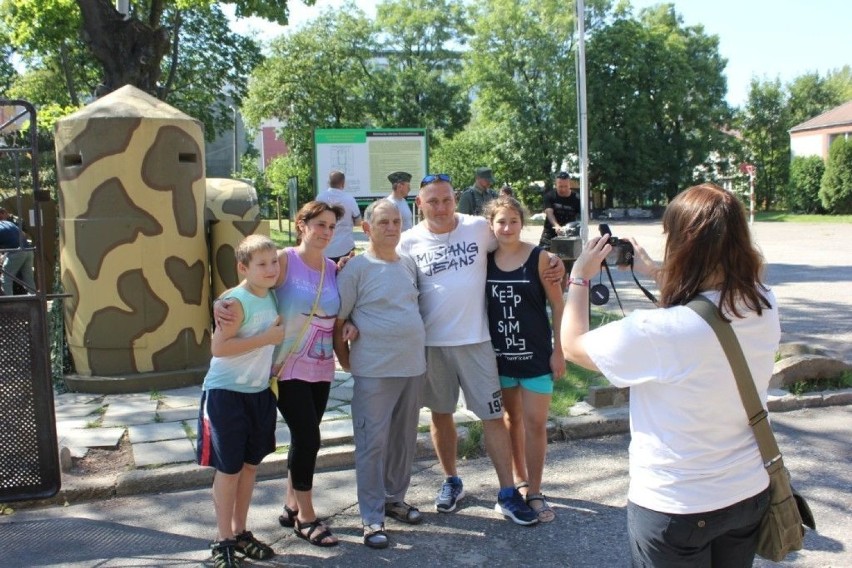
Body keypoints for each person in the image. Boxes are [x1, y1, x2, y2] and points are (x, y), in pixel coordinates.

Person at [561, 183, 779, 567]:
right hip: (748, 491)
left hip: (677, 505)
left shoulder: (660, 331)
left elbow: (573, 345)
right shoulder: (763, 302)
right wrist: (652, 270)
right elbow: (709, 304)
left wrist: (579, 277)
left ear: (683, 245)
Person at [398, 174, 563, 526]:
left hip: (477, 342)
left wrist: (551, 259)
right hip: (433, 344)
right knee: (440, 415)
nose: (440, 207)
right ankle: (451, 480)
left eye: (446, 199)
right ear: (420, 204)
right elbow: (387, 273)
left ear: (455, 199)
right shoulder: (408, 241)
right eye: (432, 201)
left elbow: (512, 238)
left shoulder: (478, 228)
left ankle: (507, 493)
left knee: (493, 417)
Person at [215, 201, 344, 548]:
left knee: (305, 438)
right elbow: (248, 286)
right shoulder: (284, 260)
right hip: (285, 368)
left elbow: (335, 314)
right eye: (319, 224)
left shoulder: (332, 269)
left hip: (321, 367)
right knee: (309, 437)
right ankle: (306, 517)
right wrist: (221, 303)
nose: (326, 232)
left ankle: (290, 506)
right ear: (302, 225)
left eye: (331, 227)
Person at [334, 199, 426, 549]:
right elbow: (339, 321)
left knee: (403, 441)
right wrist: (347, 362)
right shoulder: (355, 269)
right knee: (372, 445)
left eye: (396, 222)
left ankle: (394, 498)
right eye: (383, 222)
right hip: (374, 371)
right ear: (367, 228)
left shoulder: (408, 264)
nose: (391, 227)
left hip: (412, 368)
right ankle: (372, 518)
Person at [197, 234, 284, 568]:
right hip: (225, 396)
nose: (270, 268)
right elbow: (219, 349)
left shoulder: (271, 296)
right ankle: (223, 541)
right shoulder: (234, 301)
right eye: (261, 264)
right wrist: (267, 339)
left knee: (250, 466)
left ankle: (241, 532)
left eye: (273, 261)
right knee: (229, 469)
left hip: (259, 393)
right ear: (243, 268)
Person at [484, 196, 565, 523]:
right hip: (499, 360)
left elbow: (559, 306)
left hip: (536, 358)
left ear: (522, 223)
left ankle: (535, 491)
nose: (507, 228)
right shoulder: (484, 261)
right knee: (510, 422)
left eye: (513, 221)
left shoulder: (541, 259)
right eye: (500, 222)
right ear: (491, 225)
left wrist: (559, 350)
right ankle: (518, 482)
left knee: (535, 424)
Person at [316, 170, 362, 262]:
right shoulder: (349, 199)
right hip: (345, 247)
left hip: (324, 248)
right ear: (343, 183)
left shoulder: (320, 198)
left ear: (329, 183)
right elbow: (358, 222)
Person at [539, 172, 581, 251]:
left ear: (570, 184)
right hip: (550, 233)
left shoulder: (577, 198)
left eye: (566, 186)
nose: (563, 189)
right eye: (560, 186)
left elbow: (583, 218)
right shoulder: (549, 196)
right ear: (556, 184)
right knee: (542, 257)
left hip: (570, 234)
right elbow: (549, 212)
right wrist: (556, 226)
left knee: (569, 260)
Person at [0, 207, 35, 295]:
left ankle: (8, 303)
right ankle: (34, 300)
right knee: (28, 279)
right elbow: (23, 234)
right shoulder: (7, 223)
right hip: (28, 250)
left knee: (6, 279)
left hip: (16, 252)